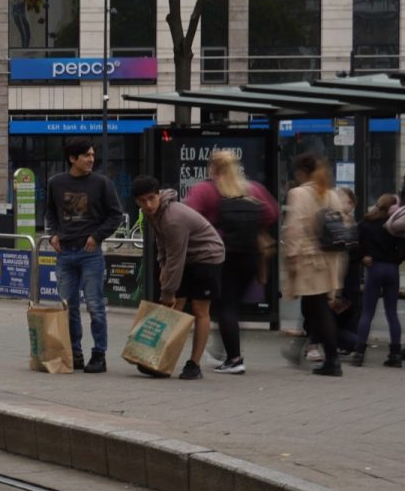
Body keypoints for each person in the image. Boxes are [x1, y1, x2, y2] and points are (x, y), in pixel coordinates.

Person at [183, 150, 277, 374]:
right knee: (231, 306)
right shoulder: (253, 189)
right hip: (250, 254)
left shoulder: (205, 190)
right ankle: (227, 351)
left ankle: (234, 359)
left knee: (224, 306)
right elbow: (271, 213)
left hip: (221, 254)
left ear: (212, 167)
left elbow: (188, 216)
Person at [131, 176, 225, 380]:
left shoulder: (173, 218)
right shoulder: (152, 213)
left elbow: (176, 256)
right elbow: (162, 243)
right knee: (174, 309)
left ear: (158, 195)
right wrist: (162, 266)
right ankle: (158, 360)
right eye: (142, 201)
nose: (148, 204)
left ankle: (194, 365)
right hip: (186, 257)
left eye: (151, 198)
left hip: (207, 256)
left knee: (199, 309)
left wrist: (168, 291)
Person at [44, 137, 121, 373]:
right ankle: (74, 353)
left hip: (91, 254)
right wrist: (53, 234)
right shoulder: (56, 183)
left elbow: (115, 215)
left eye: (92, 155)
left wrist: (97, 236)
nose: (91, 159)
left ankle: (99, 354)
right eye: (86, 155)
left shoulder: (102, 183)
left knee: (95, 305)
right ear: (72, 158)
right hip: (65, 253)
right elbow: (50, 212)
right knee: (68, 307)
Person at [282, 152, 352, 377]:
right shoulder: (330, 193)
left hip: (309, 259)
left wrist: (291, 257)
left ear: (302, 172)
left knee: (319, 307)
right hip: (330, 258)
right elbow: (343, 223)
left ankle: (332, 360)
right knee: (315, 305)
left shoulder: (298, 193)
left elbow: (295, 229)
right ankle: (304, 350)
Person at [352, 193, 403, 368]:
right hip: (392, 269)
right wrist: (396, 260)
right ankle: (395, 354)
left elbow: (355, 244)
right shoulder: (395, 226)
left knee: (367, 312)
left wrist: (363, 256)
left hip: (374, 267)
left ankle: (359, 353)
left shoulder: (366, 222)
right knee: (392, 313)